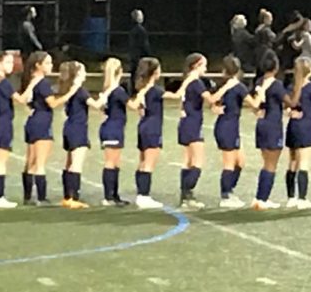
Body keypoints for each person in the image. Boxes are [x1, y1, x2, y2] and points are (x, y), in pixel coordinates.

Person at [128, 57, 193, 209]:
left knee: (142, 162)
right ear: (155, 72)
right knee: (149, 164)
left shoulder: (141, 89)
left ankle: (141, 194)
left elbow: (137, 107)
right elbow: (176, 96)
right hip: (153, 128)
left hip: (143, 126)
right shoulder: (155, 90)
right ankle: (144, 196)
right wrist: (188, 81)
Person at [21, 51, 77, 206]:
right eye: (47, 63)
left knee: (30, 161)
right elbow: (52, 103)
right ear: (38, 65)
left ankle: (27, 196)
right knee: (40, 162)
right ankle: (41, 197)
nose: (51, 66)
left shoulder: (32, 81)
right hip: (42, 121)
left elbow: (25, 100)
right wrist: (70, 93)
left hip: (32, 121)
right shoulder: (42, 83)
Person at [0, 51, 33, 208]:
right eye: (8, 62)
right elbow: (21, 100)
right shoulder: (3, 82)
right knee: (2, 160)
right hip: (3, 122)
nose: (11, 65)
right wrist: (33, 84)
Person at [209, 55, 261, 208]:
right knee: (229, 163)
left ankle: (229, 190)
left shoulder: (226, 85)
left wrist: (216, 108)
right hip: (227, 128)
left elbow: (213, 104)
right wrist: (261, 92)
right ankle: (225, 196)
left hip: (227, 126)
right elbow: (254, 104)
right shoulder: (237, 86)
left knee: (240, 162)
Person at [177, 53, 224, 209]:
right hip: (192, 123)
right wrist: (228, 87)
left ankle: (185, 196)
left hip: (185, 122)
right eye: (204, 65)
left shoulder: (187, 81)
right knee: (198, 161)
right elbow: (210, 99)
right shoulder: (196, 82)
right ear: (196, 65)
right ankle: (188, 194)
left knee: (188, 161)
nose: (206, 68)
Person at [88, 58, 130, 206]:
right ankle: (108, 196)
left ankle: (114, 195)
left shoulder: (107, 90)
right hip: (113, 128)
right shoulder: (118, 91)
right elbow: (132, 104)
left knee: (115, 162)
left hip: (110, 127)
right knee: (111, 162)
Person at [252, 51, 289, 210]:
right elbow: (289, 101)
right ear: (276, 67)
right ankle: (263, 199)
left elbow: (256, 104)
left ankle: (259, 197)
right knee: (271, 164)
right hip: (273, 125)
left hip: (261, 123)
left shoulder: (259, 82)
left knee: (266, 162)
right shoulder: (276, 84)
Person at [284, 56, 311, 209]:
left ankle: (291, 197)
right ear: (310, 70)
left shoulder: (292, 87)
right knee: (304, 164)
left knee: (292, 162)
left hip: (293, 127)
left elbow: (287, 104)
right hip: (306, 128)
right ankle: (302, 198)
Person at [58, 61, 92, 209]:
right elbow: (96, 104)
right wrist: (107, 94)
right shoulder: (81, 91)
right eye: (83, 71)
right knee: (76, 164)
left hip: (69, 127)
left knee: (69, 162)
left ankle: (67, 196)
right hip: (78, 129)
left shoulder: (67, 89)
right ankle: (73, 197)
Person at [127, 9, 151, 93]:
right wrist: (148, 55)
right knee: (141, 75)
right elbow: (144, 45)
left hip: (133, 56)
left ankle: (132, 91)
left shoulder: (132, 30)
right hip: (140, 57)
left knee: (133, 75)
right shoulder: (141, 30)